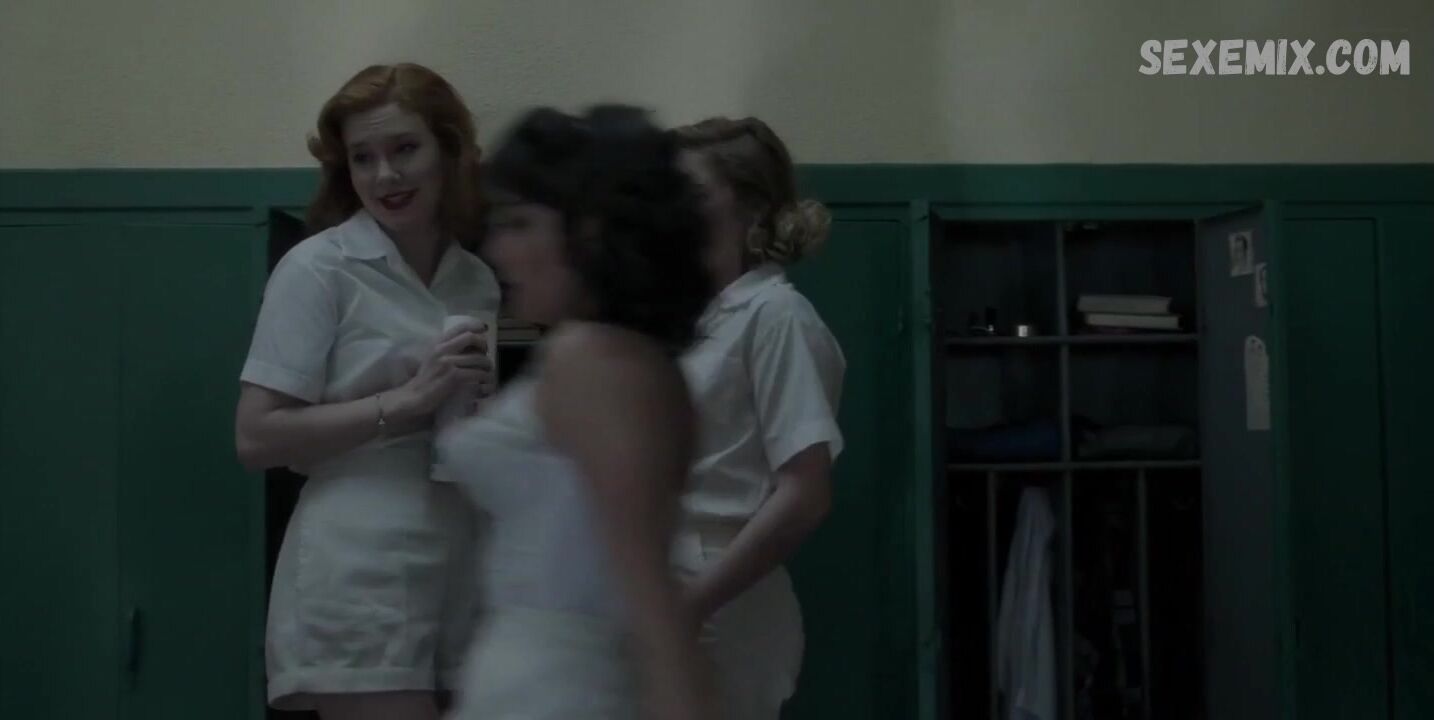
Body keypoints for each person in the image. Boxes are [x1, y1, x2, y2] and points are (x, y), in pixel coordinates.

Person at [233, 63, 500, 720]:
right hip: (358, 557)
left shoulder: (477, 279)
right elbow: (256, 436)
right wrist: (407, 402)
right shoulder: (318, 268)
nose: (385, 176)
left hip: (463, 549)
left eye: (404, 149)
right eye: (362, 157)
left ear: (448, 150)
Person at [434, 105, 717, 720]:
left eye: (519, 224)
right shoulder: (621, 359)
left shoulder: (594, 362)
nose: (497, 250)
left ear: (590, 232)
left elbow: (652, 601)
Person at [670, 115, 847, 719]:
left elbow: (805, 494)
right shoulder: (698, 320)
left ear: (750, 208)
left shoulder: (777, 317)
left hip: (718, 593)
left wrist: (694, 603)